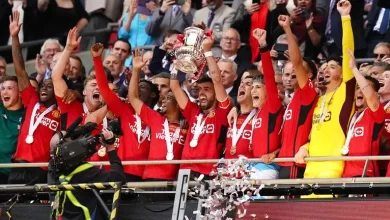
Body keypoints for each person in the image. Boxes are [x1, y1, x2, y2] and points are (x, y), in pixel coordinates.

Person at [295, 1, 356, 198]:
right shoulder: (319, 100)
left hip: (332, 169)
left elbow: (348, 55)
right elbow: (316, 133)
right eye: (324, 65)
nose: (325, 68)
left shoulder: (345, 94)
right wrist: (306, 146)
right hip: (310, 168)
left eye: (332, 66)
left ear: (341, 73)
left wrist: (345, 18)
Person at [92, 43, 159, 182]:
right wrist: (97, 60)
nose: (138, 90)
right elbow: (104, 88)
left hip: (148, 175)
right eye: (137, 86)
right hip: (123, 170)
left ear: (153, 95)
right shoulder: (124, 110)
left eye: (143, 87)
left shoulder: (158, 117)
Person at [170, 35, 232, 178]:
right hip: (185, 170)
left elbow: (216, 79)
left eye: (207, 89)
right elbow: (174, 86)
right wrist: (177, 61)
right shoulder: (194, 111)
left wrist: (207, 51)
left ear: (216, 93)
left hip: (208, 171)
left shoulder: (222, 112)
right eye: (200, 90)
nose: (201, 93)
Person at [9, 11, 60, 184]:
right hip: (18, 166)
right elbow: (19, 69)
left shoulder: (62, 112)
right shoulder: (32, 100)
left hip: (42, 170)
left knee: (35, 211)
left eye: (50, 86)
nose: (44, 88)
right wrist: (14, 37)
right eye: (43, 85)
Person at [129, 49, 186, 181]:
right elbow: (133, 98)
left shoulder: (188, 126)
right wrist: (137, 71)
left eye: (169, 97)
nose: (164, 100)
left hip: (174, 182)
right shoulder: (156, 119)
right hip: (149, 179)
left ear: (179, 104)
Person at [51, 128, 125, 220]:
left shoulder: (55, 170)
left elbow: (55, 143)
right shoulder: (86, 172)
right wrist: (110, 148)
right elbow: (118, 178)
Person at [277, 15, 318, 180]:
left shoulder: (307, 93)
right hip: (284, 162)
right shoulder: (291, 99)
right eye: (287, 73)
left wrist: (287, 29)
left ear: (308, 75)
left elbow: (297, 62)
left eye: (296, 72)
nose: (292, 75)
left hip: (296, 163)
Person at [248, 29, 283, 180]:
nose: (253, 91)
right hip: (253, 166)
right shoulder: (256, 114)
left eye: (258, 87)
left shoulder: (272, 106)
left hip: (268, 168)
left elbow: (269, 76)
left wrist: (263, 45)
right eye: (252, 88)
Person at [342, 50, 384, 178]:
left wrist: (354, 69)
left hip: (365, 174)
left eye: (364, 88)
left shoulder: (376, 113)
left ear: (377, 95)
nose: (360, 91)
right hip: (345, 175)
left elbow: (370, 96)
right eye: (357, 88)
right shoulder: (351, 115)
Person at [0, 76, 25, 184]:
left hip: (14, 175)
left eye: (9, 88)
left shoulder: (28, 115)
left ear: (20, 92)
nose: (5, 92)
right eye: (3, 88)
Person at [225, 75, 255, 159]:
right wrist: (235, 107)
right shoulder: (230, 114)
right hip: (228, 169)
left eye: (248, 84)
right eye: (241, 83)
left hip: (251, 169)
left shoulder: (260, 115)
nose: (241, 85)